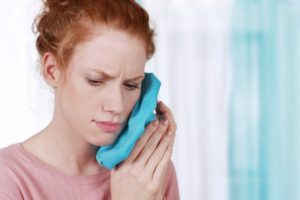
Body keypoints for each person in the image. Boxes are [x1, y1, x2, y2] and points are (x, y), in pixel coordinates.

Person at [0, 0, 179, 199]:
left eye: (131, 85)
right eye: (95, 81)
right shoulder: (8, 178)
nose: (117, 106)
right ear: (52, 71)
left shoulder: (148, 170)